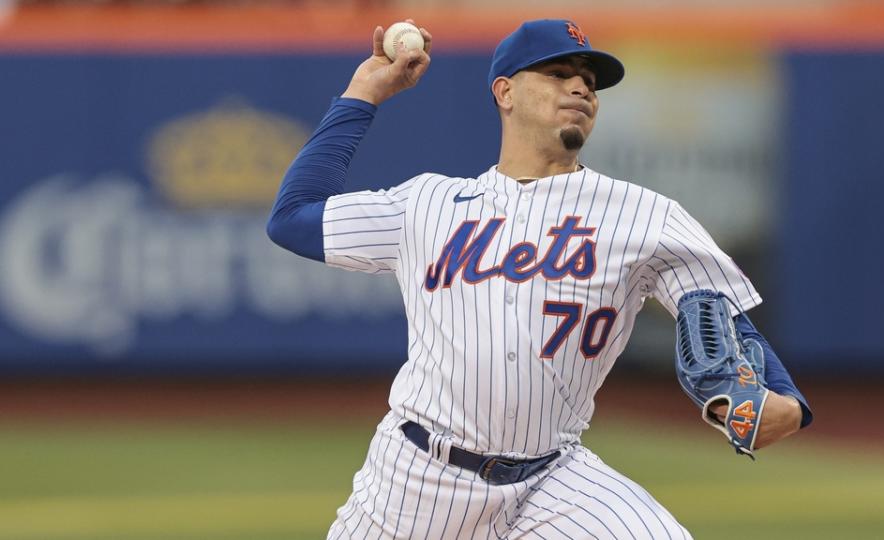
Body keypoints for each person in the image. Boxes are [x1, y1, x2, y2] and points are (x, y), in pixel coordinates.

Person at [268, 18, 812, 540]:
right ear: (505, 92)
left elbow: (722, 318)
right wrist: (363, 92)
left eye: (590, 82)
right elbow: (292, 218)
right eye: (558, 73)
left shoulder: (646, 217)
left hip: (553, 482)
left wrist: (784, 398)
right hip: (414, 479)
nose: (580, 87)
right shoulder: (426, 204)